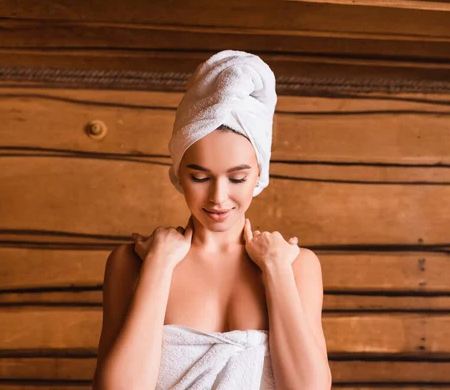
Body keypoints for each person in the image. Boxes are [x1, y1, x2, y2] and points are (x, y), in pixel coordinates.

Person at [92, 50, 332, 389]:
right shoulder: (130, 263)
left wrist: (276, 270)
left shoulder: (297, 266)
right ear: (178, 173)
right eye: (200, 177)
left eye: (237, 179)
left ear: (259, 175)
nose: (218, 197)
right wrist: (158, 266)